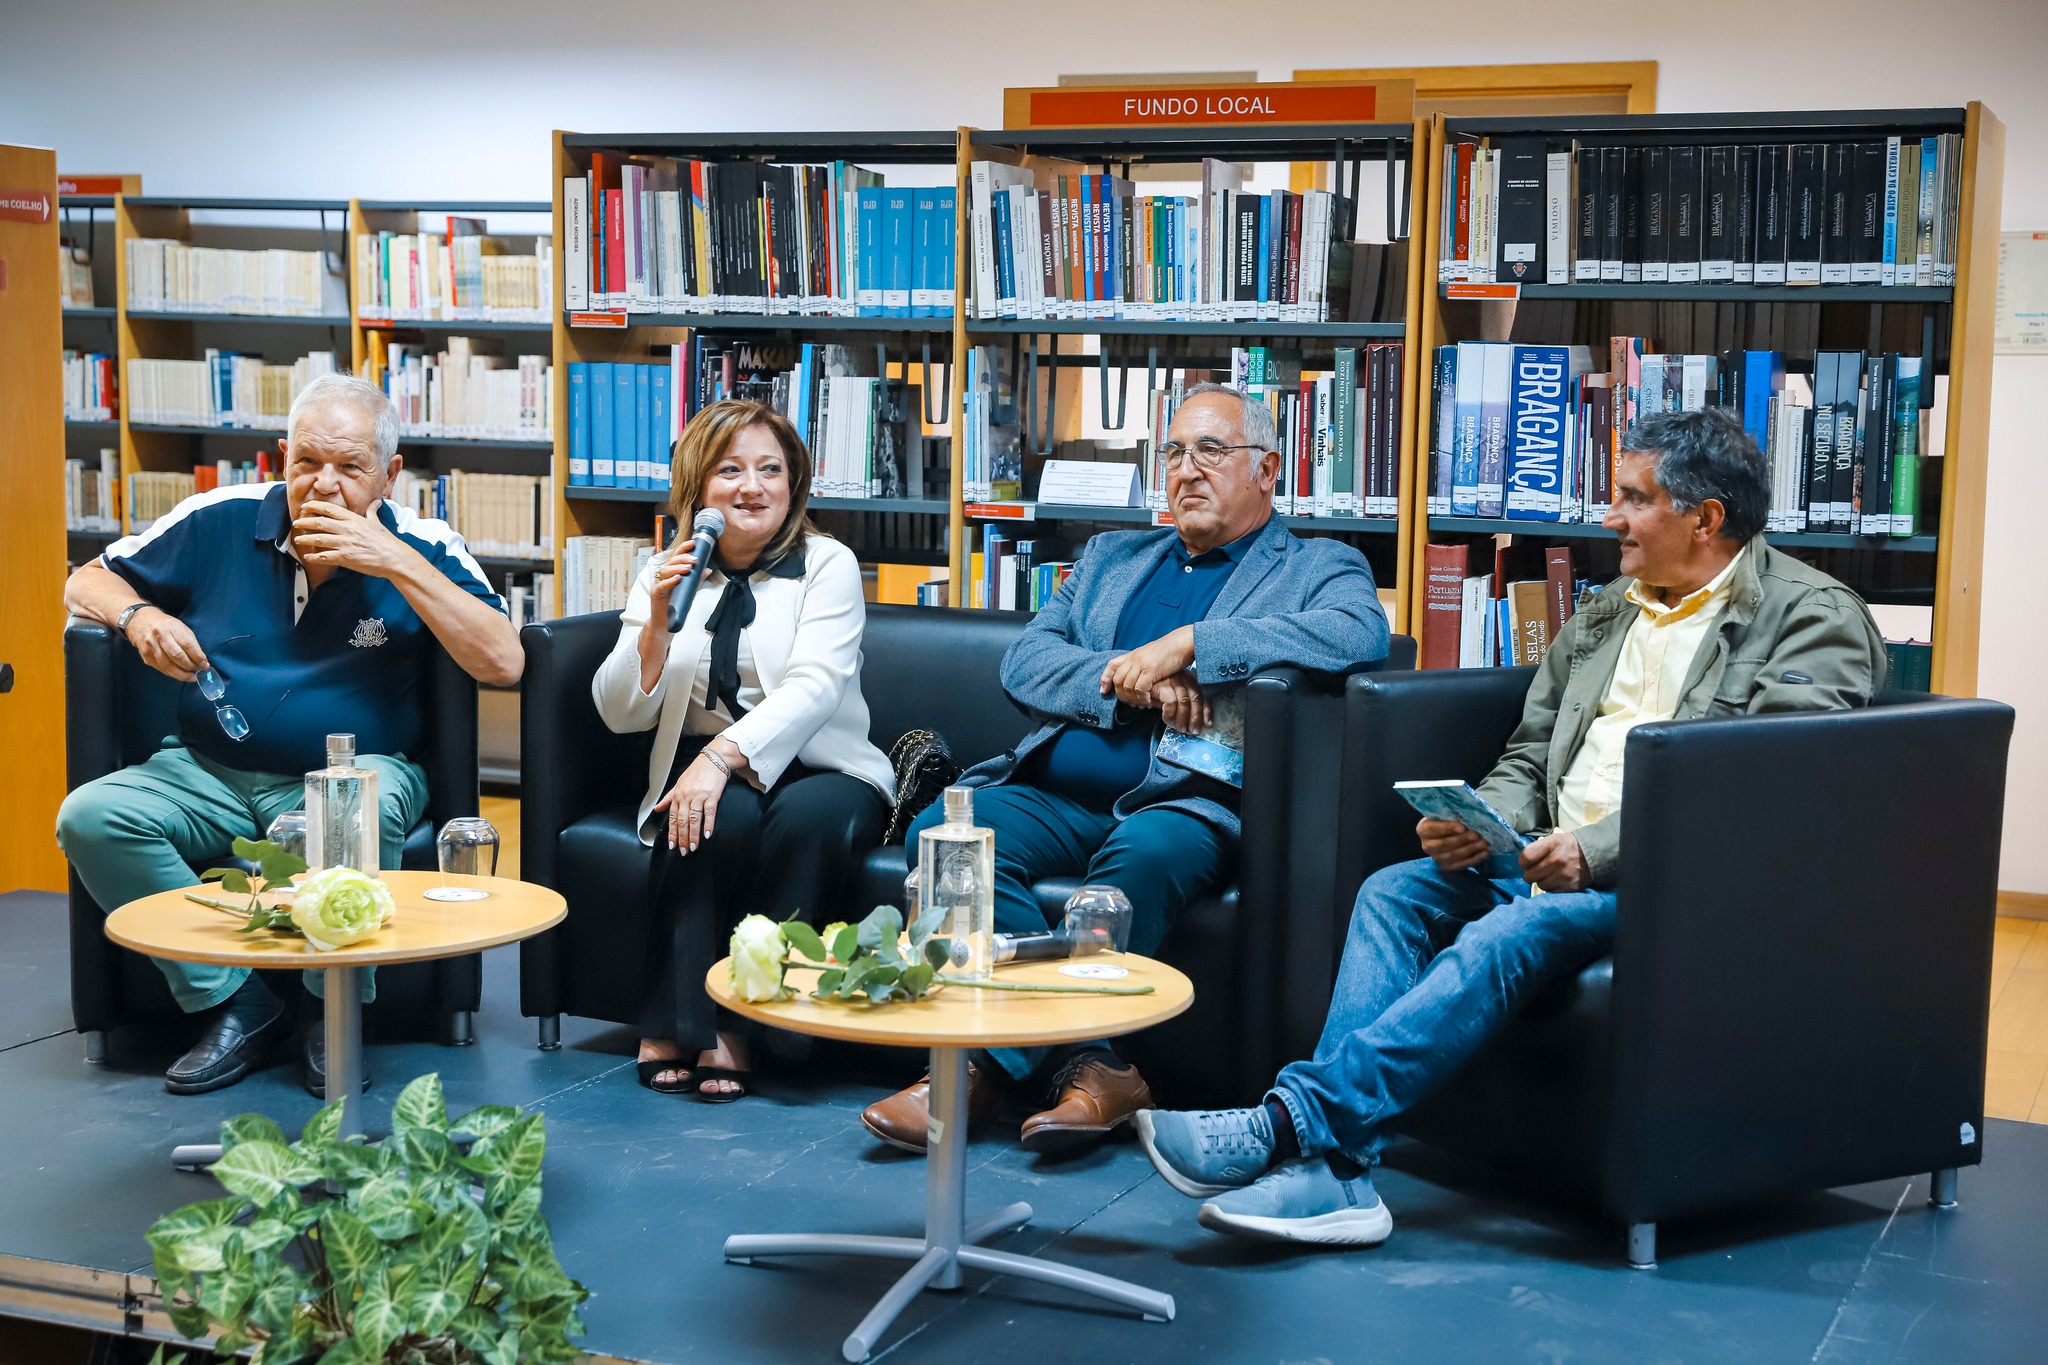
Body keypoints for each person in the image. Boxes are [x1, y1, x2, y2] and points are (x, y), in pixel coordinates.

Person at [1136, 407, 1890, 1246]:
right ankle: (1340, 1175)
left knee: (1521, 926)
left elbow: (1760, 791)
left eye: (1634, 499)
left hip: (1678, 885)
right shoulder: (1611, 610)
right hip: (1545, 859)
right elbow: (1532, 751)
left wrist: (1595, 852)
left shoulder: (1813, 617)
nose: (1610, 518)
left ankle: (1290, 1126)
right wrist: (1488, 824)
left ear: (1704, 518)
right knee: (1397, 890)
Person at [862, 382, 1389, 1156]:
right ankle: (1094, 1068)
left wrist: (1192, 646)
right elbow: (1028, 660)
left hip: (1180, 806)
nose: (1186, 469)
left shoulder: (1318, 566)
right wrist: (1127, 674)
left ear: (1268, 469)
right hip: (1052, 791)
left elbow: (1359, 633)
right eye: (1173, 452)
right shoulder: (1114, 556)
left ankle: (978, 1070)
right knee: (946, 834)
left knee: (1141, 860)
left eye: (1210, 450)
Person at [56, 373, 521, 1097]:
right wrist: (137, 618)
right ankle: (240, 1002)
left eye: (350, 468)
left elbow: (504, 660)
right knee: (88, 815)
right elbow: (85, 580)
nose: (324, 485)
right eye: (307, 462)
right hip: (207, 768)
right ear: (281, 458)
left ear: (389, 476)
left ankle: (328, 1013)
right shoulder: (219, 515)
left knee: (344, 803)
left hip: (355, 767)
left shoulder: (425, 542)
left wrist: (391, 560)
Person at [593, 399, 894, 1102]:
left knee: (805, 822)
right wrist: (653, 633)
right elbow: (615, 710)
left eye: (770, 470)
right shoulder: (665, 570)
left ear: (794, 486)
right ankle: (675, 1018)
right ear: (699, 486)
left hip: (823, 764)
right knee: (704, 821)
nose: (751, 487)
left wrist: (721, 758)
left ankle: (749, 1023)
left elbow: (817, 688)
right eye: (730, 470)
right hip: (708, 766)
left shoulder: (828, 564)